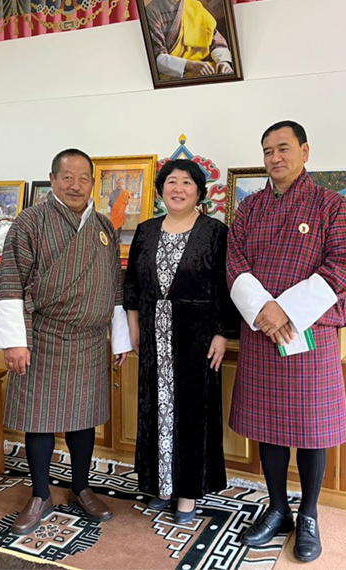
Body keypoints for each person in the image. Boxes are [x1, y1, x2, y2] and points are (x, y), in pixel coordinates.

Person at [226, 121, 346, 563]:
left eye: (283, 148)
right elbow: (235, 263)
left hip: (308, 332)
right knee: (269, 426)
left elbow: (343, 266)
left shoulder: (332, 205)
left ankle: (310, 514)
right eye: (267, 151)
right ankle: (278, 508)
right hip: (262, 329)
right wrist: (264, 310)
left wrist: (286, 311)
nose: (274, 158)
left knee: (313, 430)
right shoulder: (250, 207)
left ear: (305, 151)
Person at [0, 148, 132, 535]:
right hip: (44, 335)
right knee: (39, 420)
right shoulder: (30, 222)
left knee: (83, 418)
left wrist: (119, 338)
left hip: (90, 338)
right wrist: (15, 342)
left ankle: (81, 488)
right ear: (52, 180)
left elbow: (114, 286)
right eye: (67, 177)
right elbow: (11, 281)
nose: (75, 185)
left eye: (84, 178)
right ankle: (40, 495)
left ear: (93, 184)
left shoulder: (102, 226)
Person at [123, 159, 237, 523]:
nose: (178, 188)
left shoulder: (215, 232)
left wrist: (221, 333)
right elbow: (132, 283)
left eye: (187, 182)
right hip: (152, 335)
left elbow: (226, 286)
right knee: (155, 409)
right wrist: (133, 324)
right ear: (161, 190)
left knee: (192, 413)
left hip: (197, 337)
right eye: (171, 181)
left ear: (199, 191)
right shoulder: (146, 230)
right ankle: (161, 485)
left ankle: (188, 491)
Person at [145, 0, 234, 80]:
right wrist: (191, 65)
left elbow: (216, 41)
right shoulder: (152, 11)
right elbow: (156, 59)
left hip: (204, 67)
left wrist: (223, 62)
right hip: (174, 72)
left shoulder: (194, 5)